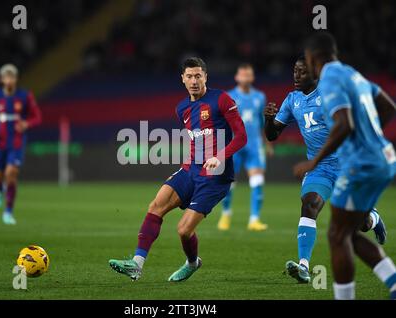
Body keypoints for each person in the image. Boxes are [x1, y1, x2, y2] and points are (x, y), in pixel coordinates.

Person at [109, 57, 247, 281]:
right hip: (190, 170)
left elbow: (241, 136)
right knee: (156, 205)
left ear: (205, 77)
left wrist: (219, 157)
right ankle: (136, 264)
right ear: (182, 79)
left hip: (216, 177)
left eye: (198, 76)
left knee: (183, 230)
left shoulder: (221, 99)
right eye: (190, 76)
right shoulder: (181, 108)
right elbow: (198, 138)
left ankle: (192, 263)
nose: (194, 81)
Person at [265, 56, 386, 283]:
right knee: (309, 204)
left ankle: (373, 218)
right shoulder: (292, 100)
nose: (296, 76)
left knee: (359, 224)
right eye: (294, 71)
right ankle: (303, 266)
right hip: (319, 168)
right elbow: (272, 135)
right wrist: (268, 120)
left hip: (347, 165)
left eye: (301, 72)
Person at [294, 32, 396, 299]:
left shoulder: (328, 79)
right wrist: (371, 141)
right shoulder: (353, 74)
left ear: (312, 57)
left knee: (337, 236)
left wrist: (313, 162)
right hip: (385, 158)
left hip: (362, 164)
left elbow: (344, 123)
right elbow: (388, 108)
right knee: (345, 232)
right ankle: (393, 282)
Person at [0, 64, 42, 225]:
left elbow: (37, 117)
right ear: (1, 79)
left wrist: (26, 124)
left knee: (11, 173)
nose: (9, 80)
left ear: (16, 79)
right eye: (6, 77)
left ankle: (8, 212)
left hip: (16, 142)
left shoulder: (25, 96)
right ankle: (0, 191)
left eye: (12, 76)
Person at [218, 63, 272, 231]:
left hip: (254, 145)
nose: (245, 78)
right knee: (229, 182)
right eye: (243, 75)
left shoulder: (260, 97)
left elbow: (263, 122)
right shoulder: (229, 96)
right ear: (237, 77)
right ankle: (226, 214)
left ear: (252, 77)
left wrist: (268, 143)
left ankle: (254, 219)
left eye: (248, 75)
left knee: (257, 180)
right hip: (234, 145)